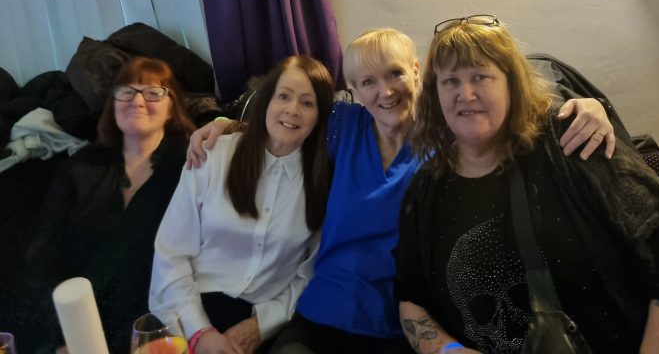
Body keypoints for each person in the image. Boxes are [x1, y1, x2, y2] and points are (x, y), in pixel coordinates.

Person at [187, 27, 615, 354]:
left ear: (416, 72)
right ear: (354, 91)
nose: (385, 91)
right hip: (321, 314)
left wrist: (585, 106)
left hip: (403, 326)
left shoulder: (451, 132)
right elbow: (279, 120)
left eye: (394, 73)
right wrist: (224, 125)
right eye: (368, 82)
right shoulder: (343, 126)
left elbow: (509, 108)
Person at [395, 16, 659, 354]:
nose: (466, 94)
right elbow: (411, 300)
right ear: (435, 94)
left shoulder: (571, 140)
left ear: (511, 84)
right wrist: (447, 350)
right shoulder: (426, 188)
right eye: (450, 81)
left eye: (480, 77)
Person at [149, 55, 334, 354]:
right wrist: (200, 333)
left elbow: (308, 274)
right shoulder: (212, 155)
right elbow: (171, 254)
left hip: (259, 325)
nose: (292, 109)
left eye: (307, 103)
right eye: (283, 96)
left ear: (320, 115)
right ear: (266, 100)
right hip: (188, 309)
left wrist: (262, 325)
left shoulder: (322, 181)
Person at [24, 57, 196, 353]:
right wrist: (67, 332)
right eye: (126, 91)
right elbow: (43, 252)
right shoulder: (80, 167)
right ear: (112, 104)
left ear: (172, 109)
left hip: (158, 327)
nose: (137, 101)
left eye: (153, 92)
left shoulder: (192, 164)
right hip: (72, 326)